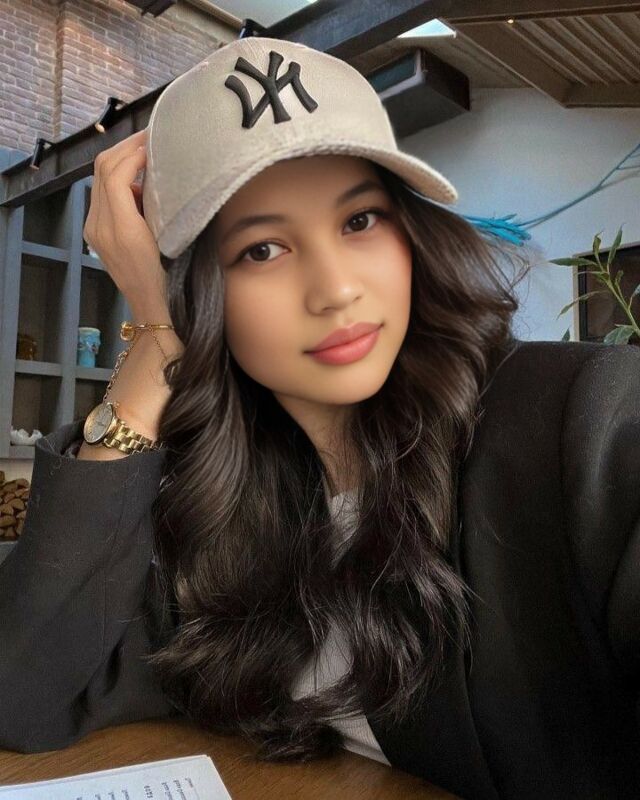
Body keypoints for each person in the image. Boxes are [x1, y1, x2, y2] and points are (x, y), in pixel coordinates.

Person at [0, 35, 639, 800]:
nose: (336, 289)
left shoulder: (590, 423)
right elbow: (24, 693)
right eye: (262, 249)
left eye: (360, 220)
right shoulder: (217, 515)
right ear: (196, 293)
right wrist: (156, 335)